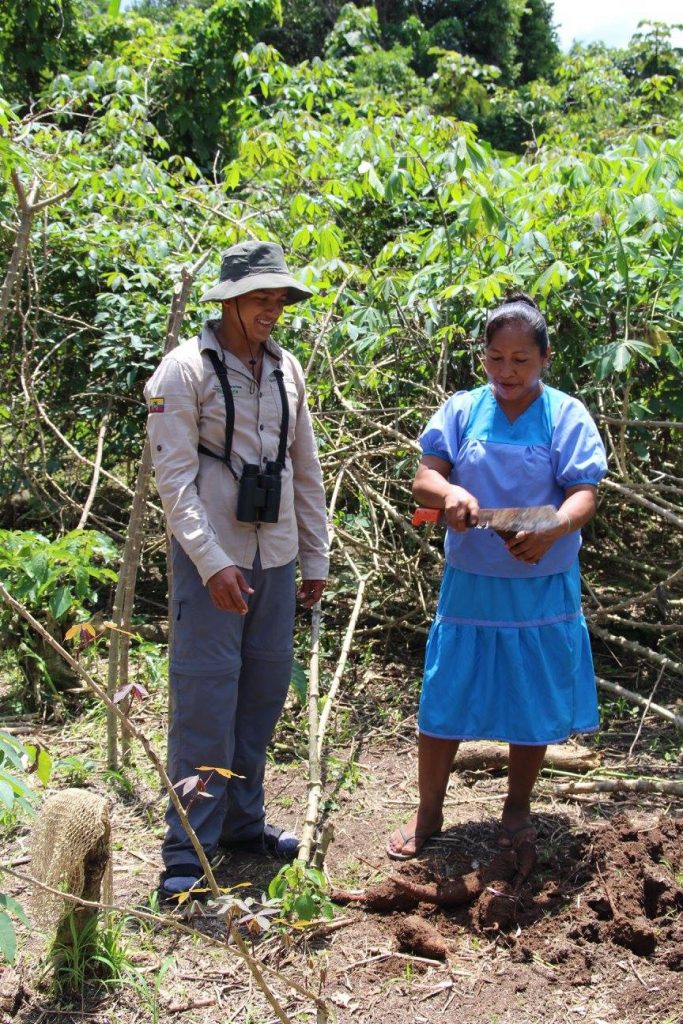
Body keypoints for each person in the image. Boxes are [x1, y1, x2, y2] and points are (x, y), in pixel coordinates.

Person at [386, 293, 607, 861]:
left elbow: (584, 492)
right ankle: (429, 810)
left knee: (530, 694)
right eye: (495, 359)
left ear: (545, 359)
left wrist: (553, 527)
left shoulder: (566, 414)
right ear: (481, 357)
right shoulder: (461, 412)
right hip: (472, 580)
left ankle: (516, 810)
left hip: (542, 579)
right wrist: (452, 492)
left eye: (520, 361)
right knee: (446, 689)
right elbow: (424, 480)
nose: (507, 372)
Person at [144, 241, 329, 898]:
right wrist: (213, 563)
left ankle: (243, 825)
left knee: (260, 697)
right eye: (260, 298)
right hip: (210, 561)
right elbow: (174, 481)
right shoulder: (182, 371)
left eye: (279, 299)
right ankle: (187, 850)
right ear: (226, 300)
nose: (271, 311)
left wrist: (316, 556)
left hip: (274, 556)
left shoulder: (288, 371)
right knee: (204, 701)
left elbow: (304, 469)